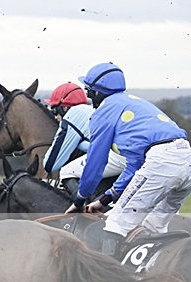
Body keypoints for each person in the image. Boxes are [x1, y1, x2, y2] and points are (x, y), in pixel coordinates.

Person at [65, 62, 191, 249]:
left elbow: (95, 164)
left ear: (97, 93)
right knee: (153, 227)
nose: (89, 96)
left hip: (162, 162)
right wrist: (105, 199)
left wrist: (80, 199)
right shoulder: (136, 103)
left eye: (89, 91)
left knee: (115, 224)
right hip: (186, 160)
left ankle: (108, 276)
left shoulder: (103, 112)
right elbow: (135, 165)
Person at [42, 82, 126, 194]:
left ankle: (82, 207)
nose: (56, 117)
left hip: (119, 155)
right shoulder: (92, 109)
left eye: (55, 111)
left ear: (65, 108)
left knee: (67, 172)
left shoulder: (73, 115)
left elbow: (50, 164)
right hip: (135, 152)